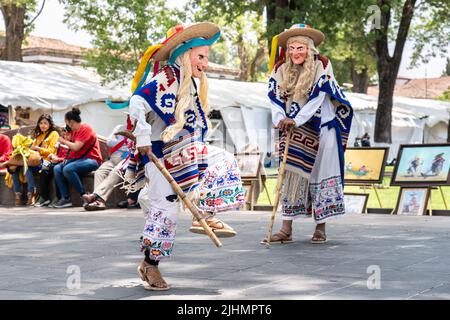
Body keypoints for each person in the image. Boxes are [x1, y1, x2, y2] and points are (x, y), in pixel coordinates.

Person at [129, 22, 224, 290]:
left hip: (184, 151)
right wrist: (143, 136)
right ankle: (150, 265)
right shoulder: (168, 78)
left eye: (206, 58)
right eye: (201, 57)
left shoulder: (188, 83)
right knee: (167, 210)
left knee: (224, 161)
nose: (205, 64)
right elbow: (136, 101)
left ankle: (204, 210)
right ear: (185, 54)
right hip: (159, 151)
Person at [263, 24, 353, 244]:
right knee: (290, 173)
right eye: (292, 48)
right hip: (292, 127)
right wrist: (280, 120)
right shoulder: (280, 68)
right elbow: (274, 98)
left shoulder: (322, 64)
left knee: (322, 174)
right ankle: (286, 228)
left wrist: (296, 119)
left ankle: (321, 227)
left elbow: (317, 98)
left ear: (310, 48)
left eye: (300, 48)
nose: (295, 53)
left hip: (322, 126)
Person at [52, 108, 102, 208]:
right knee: (57, 168)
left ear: (71, 122)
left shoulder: (85, 129)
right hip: (80, 160)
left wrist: (63, 141)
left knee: (68, 169)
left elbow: (76, 147)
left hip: (93, 160)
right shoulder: (74, 132)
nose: (67, 126)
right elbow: (73, 151)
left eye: (67, 123)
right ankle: (66, 198)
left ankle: (84, 195)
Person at [82, 118, 134, 210]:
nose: (131, 119)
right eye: (130, 116)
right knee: (99, 172)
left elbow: (133, 148)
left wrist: (125, 145)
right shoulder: (119, 127)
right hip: (114, 156)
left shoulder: (140, 130)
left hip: (128, 157)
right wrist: (124, 142)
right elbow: (109, 142)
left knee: (116, 171)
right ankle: (97, 201)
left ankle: (97, 198)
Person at [11, 114, 59, 206]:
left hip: (47, 161)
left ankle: (34, 194)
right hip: (36, 161)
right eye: (41, 123)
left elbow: (52, 151)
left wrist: (38, 149)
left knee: (26, 166)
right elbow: (33, 149)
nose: (43, 125)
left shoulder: (54, 134)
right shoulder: (39, 135)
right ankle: (23, 194)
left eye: (45, 123)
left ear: (50, 124)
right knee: (15, 168)